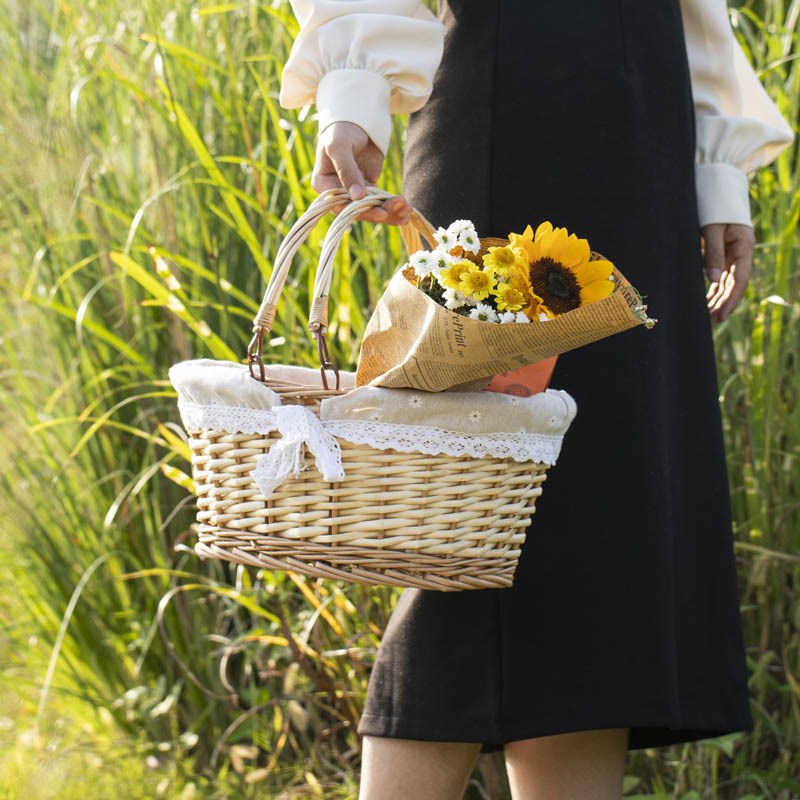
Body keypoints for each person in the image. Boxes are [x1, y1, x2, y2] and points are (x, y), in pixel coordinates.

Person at [279, 2, 794, 798]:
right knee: (464, 537)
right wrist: (355, 91)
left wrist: (716, 159)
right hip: (502, 103)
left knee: (601, 546)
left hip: (643, 127)